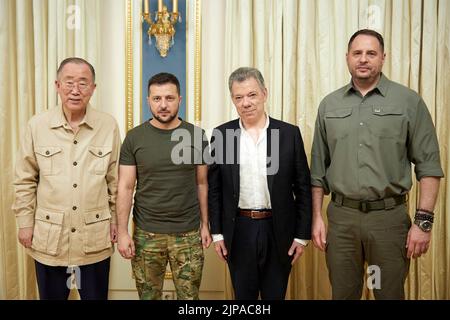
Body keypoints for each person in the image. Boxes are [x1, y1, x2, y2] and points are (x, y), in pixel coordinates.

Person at [311, 29, 444, 300]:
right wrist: (316, 218)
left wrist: (423, 223)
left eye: (371, 53)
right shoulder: (329, 105)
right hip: (342, 221)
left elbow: (429, 166)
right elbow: (317, 172)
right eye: (357, 53)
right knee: (343, 294)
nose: (363, 59)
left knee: (388, 294)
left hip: (389, 221)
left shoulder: (408, 102)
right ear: (347, 57)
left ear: (383, 58)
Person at [13, 57, 121, 300]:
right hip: (49, 238)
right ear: (57, 85)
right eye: (69, 82)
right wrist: (24, 222)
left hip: (93, 238)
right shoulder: (37, 126)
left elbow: (115, 181)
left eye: (83, 83)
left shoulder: (108, 125)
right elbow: (24, 180)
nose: (75, 90)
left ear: (93, 88)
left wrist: (116, 220)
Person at [208, 67, 312, 300]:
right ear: (233, 100)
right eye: (239, 97)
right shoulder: (222, 135)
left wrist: (301, 236)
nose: (246, 103)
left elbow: (303, 188)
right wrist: (217, 233)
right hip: (239, 229)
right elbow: (214, 189)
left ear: (264, 93)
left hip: (279, 230)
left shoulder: (288, 134)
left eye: (252, 95)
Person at [117, 72, 212, 300]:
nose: (163, 105)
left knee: (190, 299)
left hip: (188, 234)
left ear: (180, 99)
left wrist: (205, 225)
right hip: (146, 235)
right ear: (148, 100)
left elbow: (202, 183)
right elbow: (126, 187)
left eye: (169, 98)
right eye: (157, 99)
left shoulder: (197, 136)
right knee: (148, 297)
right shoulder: (134, 138)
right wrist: (122, 232)